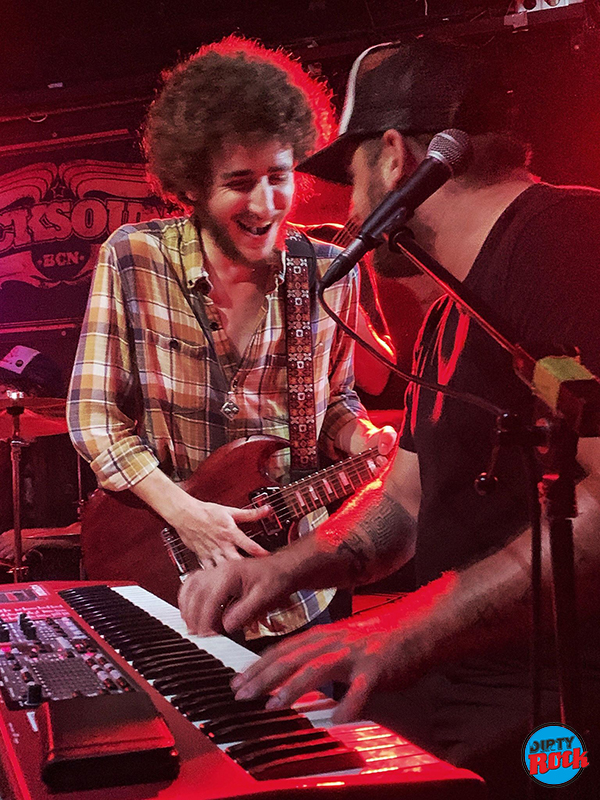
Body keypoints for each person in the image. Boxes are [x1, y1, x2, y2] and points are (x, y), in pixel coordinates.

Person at [179, 39, 600, 796]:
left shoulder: (567, 243)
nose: (350, 210)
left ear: (397, 156)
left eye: (354, 177)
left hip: (553, 709)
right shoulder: (452, 307)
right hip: (457, 680)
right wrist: (282, 569)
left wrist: (405, 626)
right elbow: (405, 499)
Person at [67, 36, 395, 646]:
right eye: (240, 182)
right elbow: (92, 416)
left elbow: (335, 401)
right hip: (166, 575)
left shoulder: (329, 271)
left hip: (295, 585)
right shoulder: (135, 257)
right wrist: (186, 513)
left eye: (279, 176)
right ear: (193, 184)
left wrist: (361, 438)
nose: (265, 203)